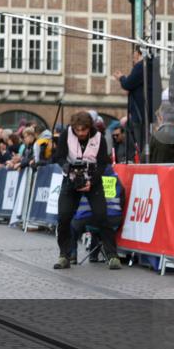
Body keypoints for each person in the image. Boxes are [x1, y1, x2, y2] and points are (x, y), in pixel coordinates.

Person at [53, 111, 118, 270]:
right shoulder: (65, 135)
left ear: (89, 127)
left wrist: (92, 181)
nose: (80, 133)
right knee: (64, 216)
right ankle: (64, 255)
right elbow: (59, 157)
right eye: (77, 130)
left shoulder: (99, 138)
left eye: (84, 130)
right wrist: (66, 167)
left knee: (102, 215)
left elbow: (103, 163)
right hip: (71, 180)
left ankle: (112, 256)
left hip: (93, 180)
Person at [69, 165, 124, 264]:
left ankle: (72, 255)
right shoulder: (115, 178)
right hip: (115, 220)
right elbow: (122, 200)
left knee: (70, 223)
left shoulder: (88, 178)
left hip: (91, 219)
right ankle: (108, 256)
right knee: (101, 223)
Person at [115, 47, 162, 161]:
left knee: (141, 141)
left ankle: (143, 161)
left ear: (139, 53)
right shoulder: (153, 67)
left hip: (140, 113)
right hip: (147, 111)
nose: (133, 58)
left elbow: (128, 83)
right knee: (136, 133)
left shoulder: (142, 66)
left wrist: (121, 78)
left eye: (134, 54)